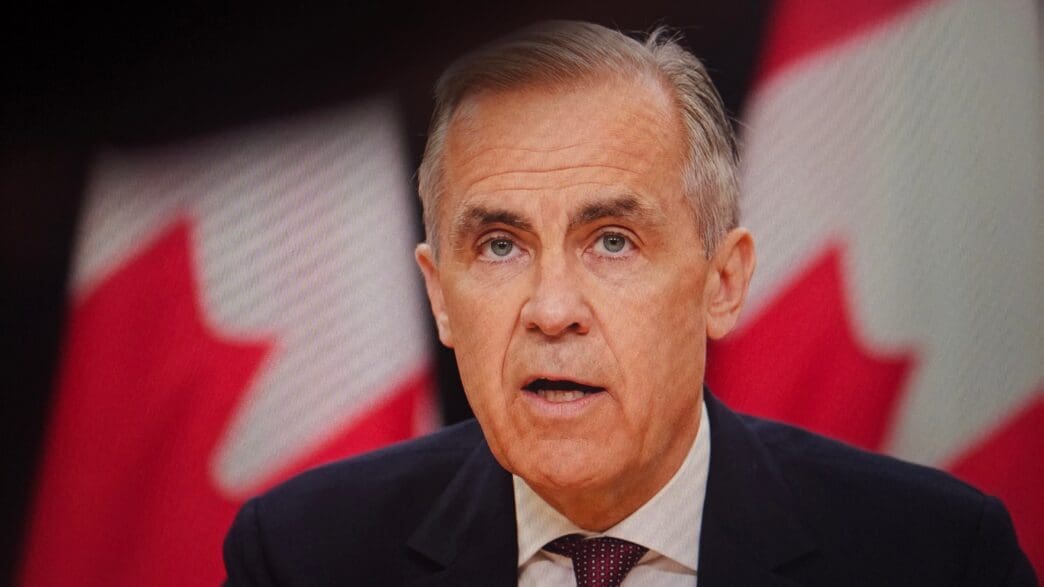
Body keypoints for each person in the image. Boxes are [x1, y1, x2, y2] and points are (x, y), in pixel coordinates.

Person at [223, 21, 1036, 586]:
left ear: (723, 282)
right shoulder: (301, 559)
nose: (552, 310)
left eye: (612, 240)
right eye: (500, 245)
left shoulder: (936, 559)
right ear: (439, 295)